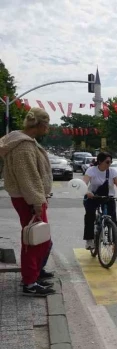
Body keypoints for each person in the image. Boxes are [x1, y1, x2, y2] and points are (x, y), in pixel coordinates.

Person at [0, 107, 55, 296]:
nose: (48, 128)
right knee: (35, 241)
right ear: (38, 124)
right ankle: (30, 283)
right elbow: (28, 178)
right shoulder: (23, 146)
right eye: (47, 124)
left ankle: (32, 276)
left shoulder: (25, 141)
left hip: (29, 198)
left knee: (36, 239)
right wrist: (37, 203)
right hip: (29, 199)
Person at [82, 152, 117, 250]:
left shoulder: (112, 172)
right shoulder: (91, 170)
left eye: (111, 162)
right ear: (99, 161)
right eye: (107, 162)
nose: (109, 164)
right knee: (90, 216)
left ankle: (115, 246)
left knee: (113, 220)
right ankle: (89, 240)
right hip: (93, 197)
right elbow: (84, 183)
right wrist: (87, 192)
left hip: (108, 198)